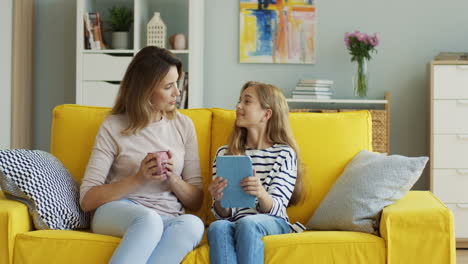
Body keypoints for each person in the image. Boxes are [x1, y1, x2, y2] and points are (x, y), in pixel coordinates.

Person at [79, 46, 204, 264]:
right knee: (148, 220)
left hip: (167, 216)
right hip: (118, 210)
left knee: (193, 224)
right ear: (145, 90)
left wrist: (173, 178)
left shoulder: (183, 125)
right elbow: (87, 200)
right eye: (168, 86)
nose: (177, 92)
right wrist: (138, 179)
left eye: (177, 83)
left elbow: (196, 200)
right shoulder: (113, 126)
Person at [207, 81, 305, 264]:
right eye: (239, 101)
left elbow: (277, 208)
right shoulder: (225, 154)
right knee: (217, 227)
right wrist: (219, 198)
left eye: (247, 101)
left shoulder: (284, 153)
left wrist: (260, 193)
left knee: (248, 224)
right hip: (236, 222)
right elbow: (222, 214)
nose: (238, 106)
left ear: (266, 114)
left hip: (273, 222)